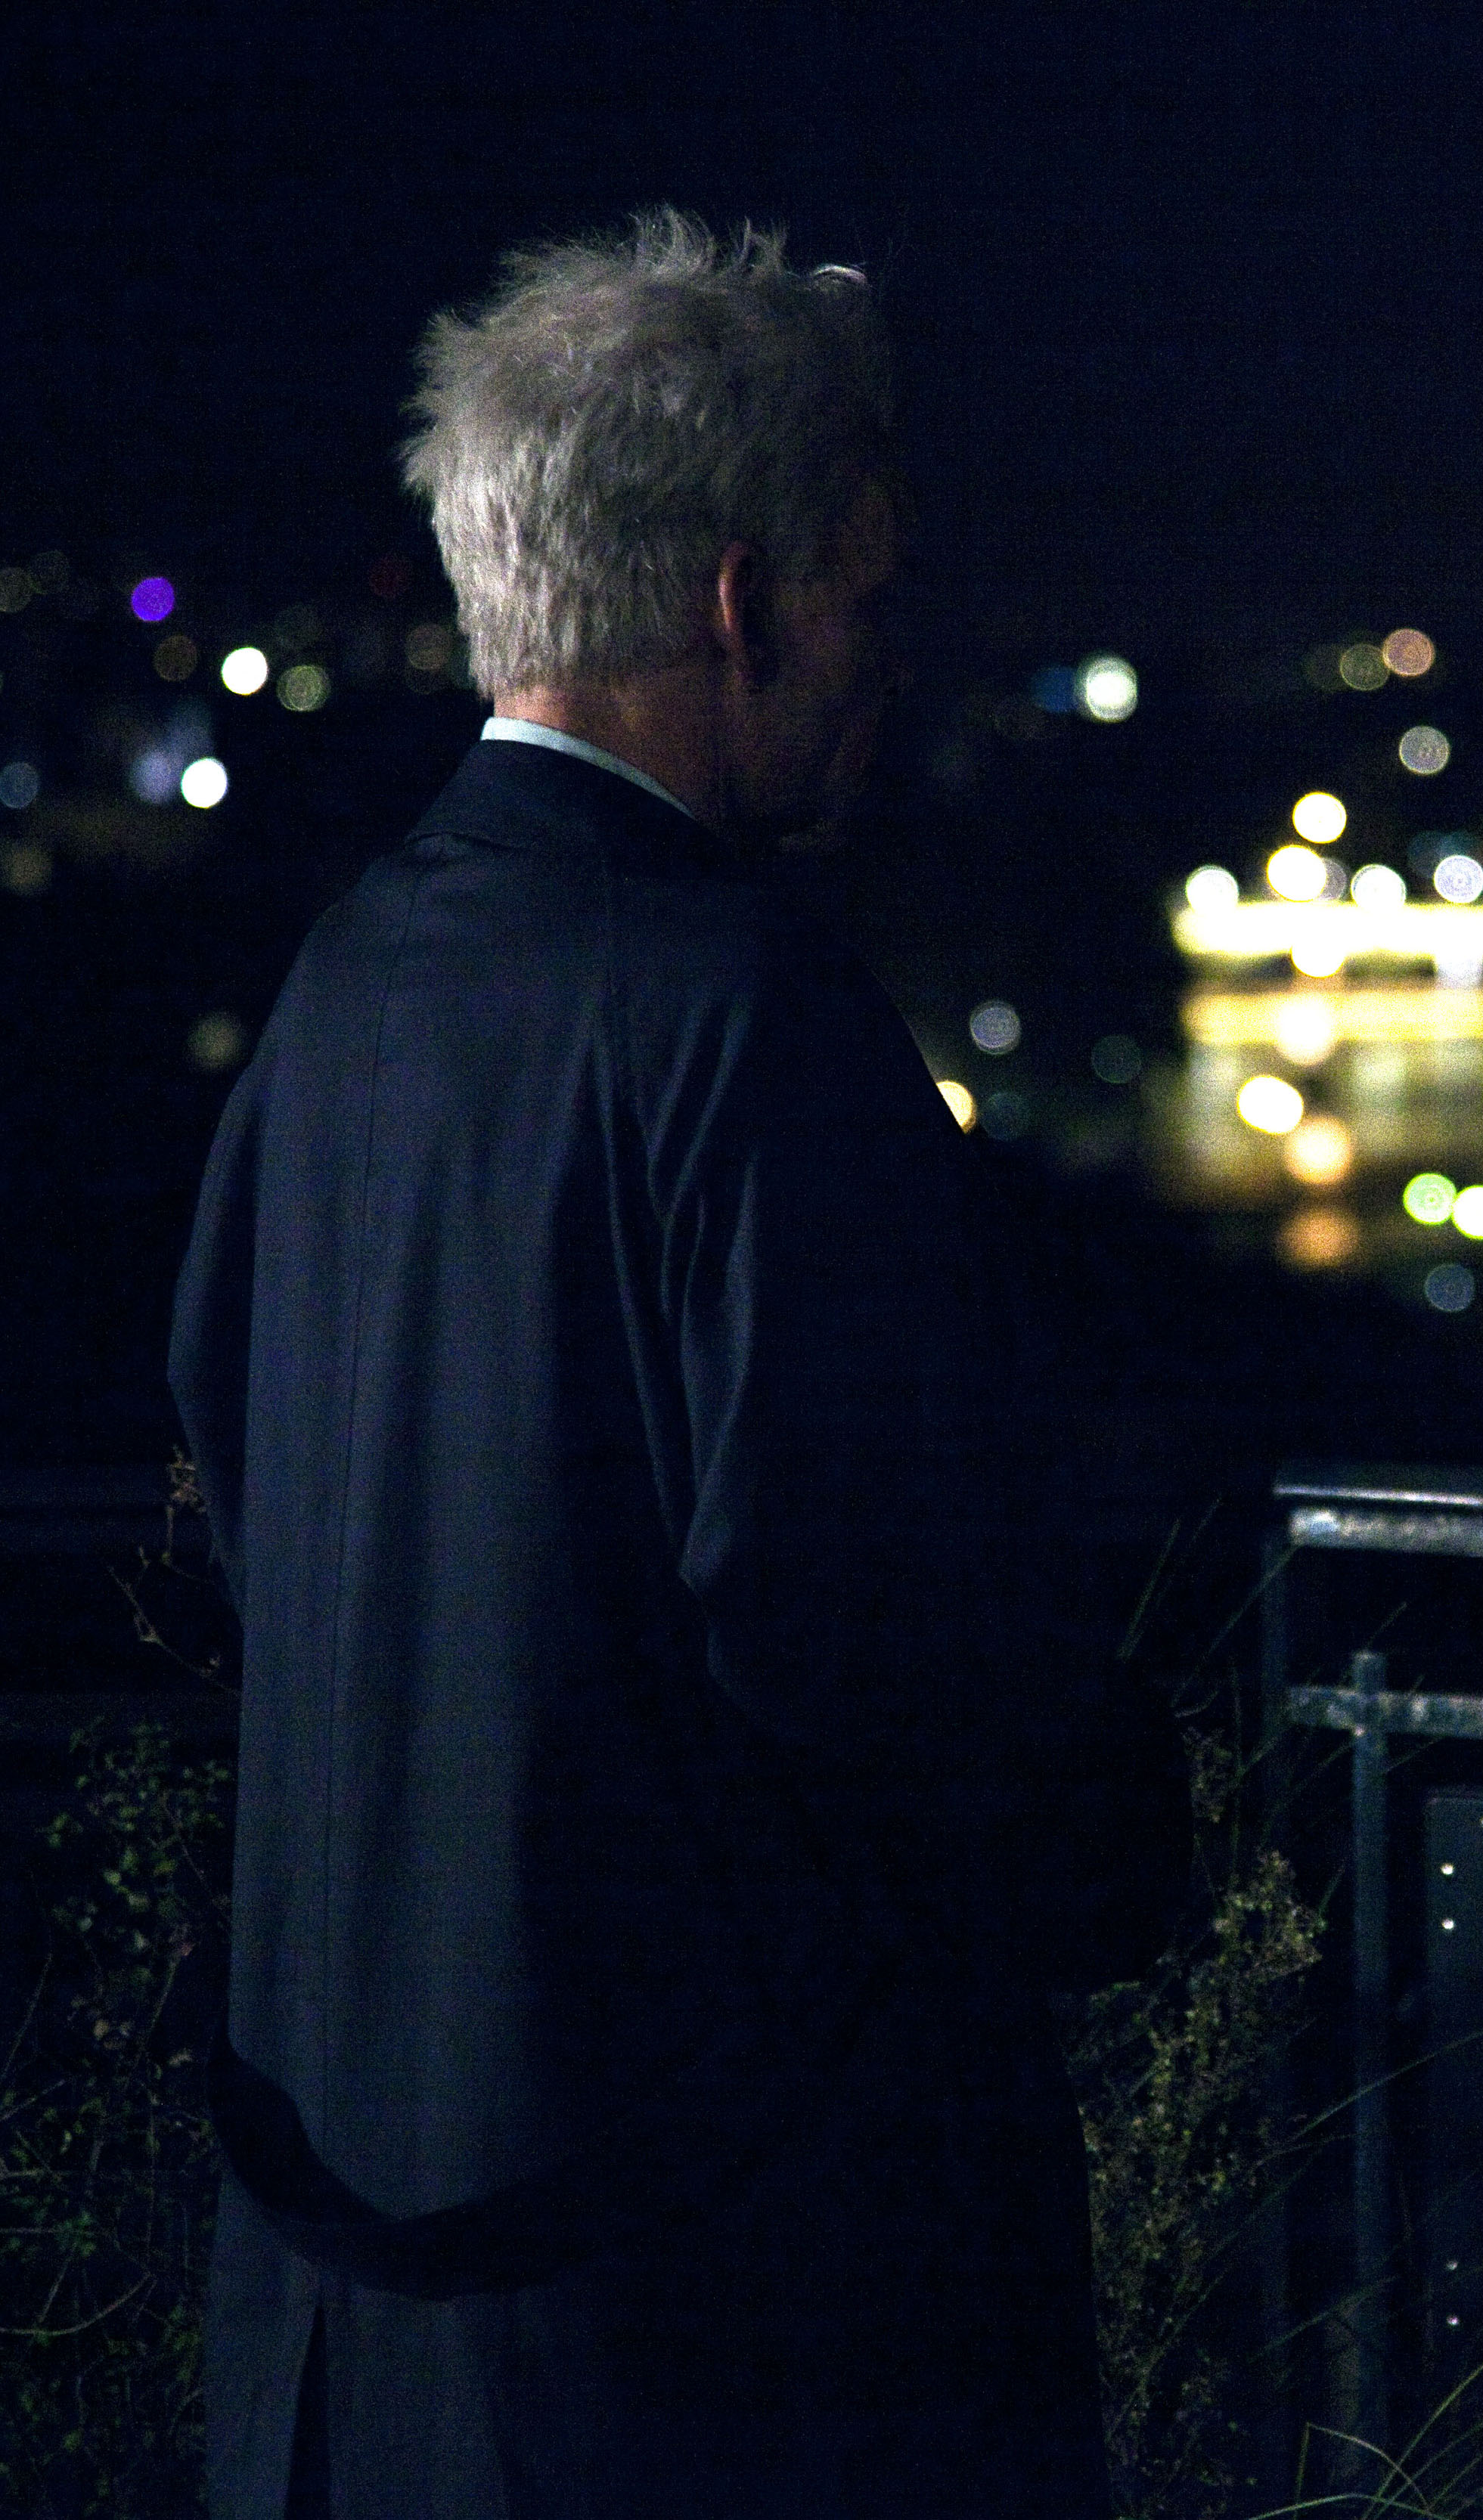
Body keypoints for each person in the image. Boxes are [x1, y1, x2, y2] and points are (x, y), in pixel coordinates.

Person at [170, 211, 1178, 2520]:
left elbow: (246, 1487)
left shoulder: (351, 983)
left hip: (361, 2269)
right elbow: (880, 1632)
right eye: (864, 592)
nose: (883, 657)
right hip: (724, 2308)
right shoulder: (748, 1016)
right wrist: (1116, 1831)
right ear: (745, 600)